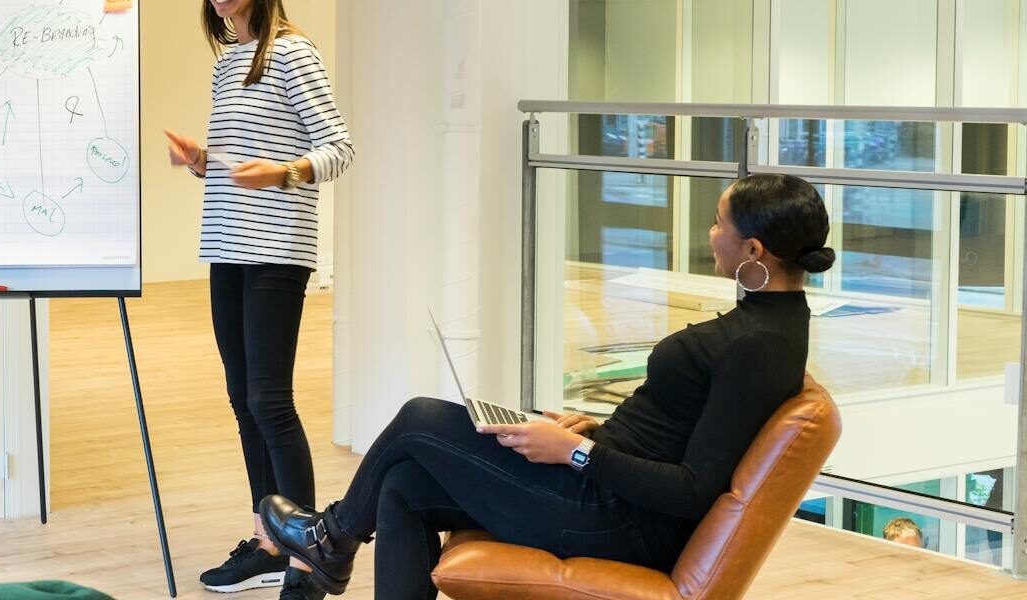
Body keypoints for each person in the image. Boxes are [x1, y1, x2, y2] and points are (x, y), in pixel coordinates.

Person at [255, 174, 834, 599]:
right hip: (604, 486)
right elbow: (679, 431)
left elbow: (691, 489)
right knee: (404, 483)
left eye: (718, 223)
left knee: (420, 417)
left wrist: (576, 453)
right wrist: (588, 432)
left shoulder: (756, 345)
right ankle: (327, 546)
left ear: (753, 251)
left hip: (619, 519)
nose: (710, 233)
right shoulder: (771, 326)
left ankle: (329, 540)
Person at [163, 0, 353, 597]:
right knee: (243, 399)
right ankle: (270, 541)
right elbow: (231, 164)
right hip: (226, 243)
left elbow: (339, 149)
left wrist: (284, 171)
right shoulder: (228, 61)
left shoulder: (293, 51)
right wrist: (200, 163)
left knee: (270, 401)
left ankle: (310, 557)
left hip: (277, 248)